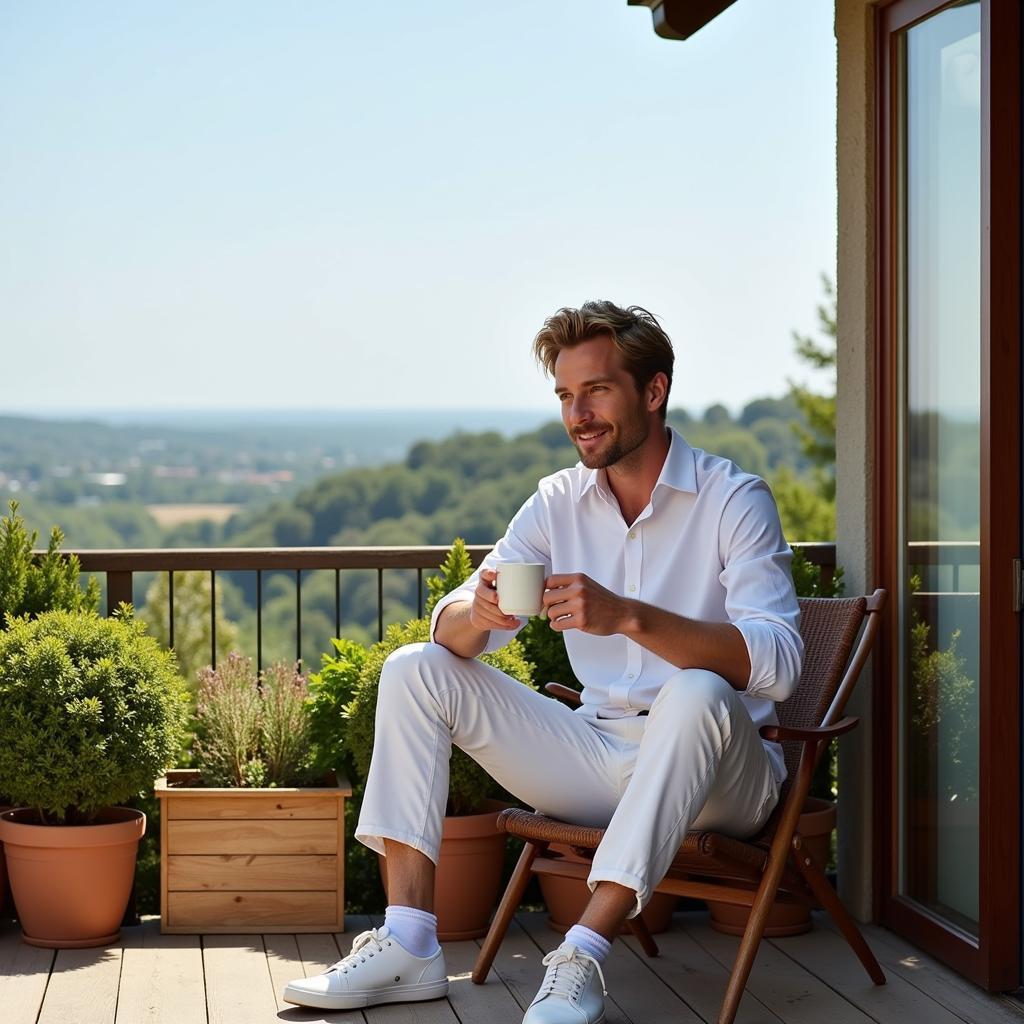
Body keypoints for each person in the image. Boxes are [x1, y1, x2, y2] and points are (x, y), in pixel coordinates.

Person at [283, 301, 803, 1023]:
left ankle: (583, 955)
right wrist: (482, 613)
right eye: (565, 395)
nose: (577, 414)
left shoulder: (733, 499)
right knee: (413, 668)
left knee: (693, 692)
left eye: (596, 390)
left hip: (724, 775)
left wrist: (626, 614)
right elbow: (451, 626)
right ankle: (409, 943)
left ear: (653, 391)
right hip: (596, 755)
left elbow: (779, 664)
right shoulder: (558, 501)